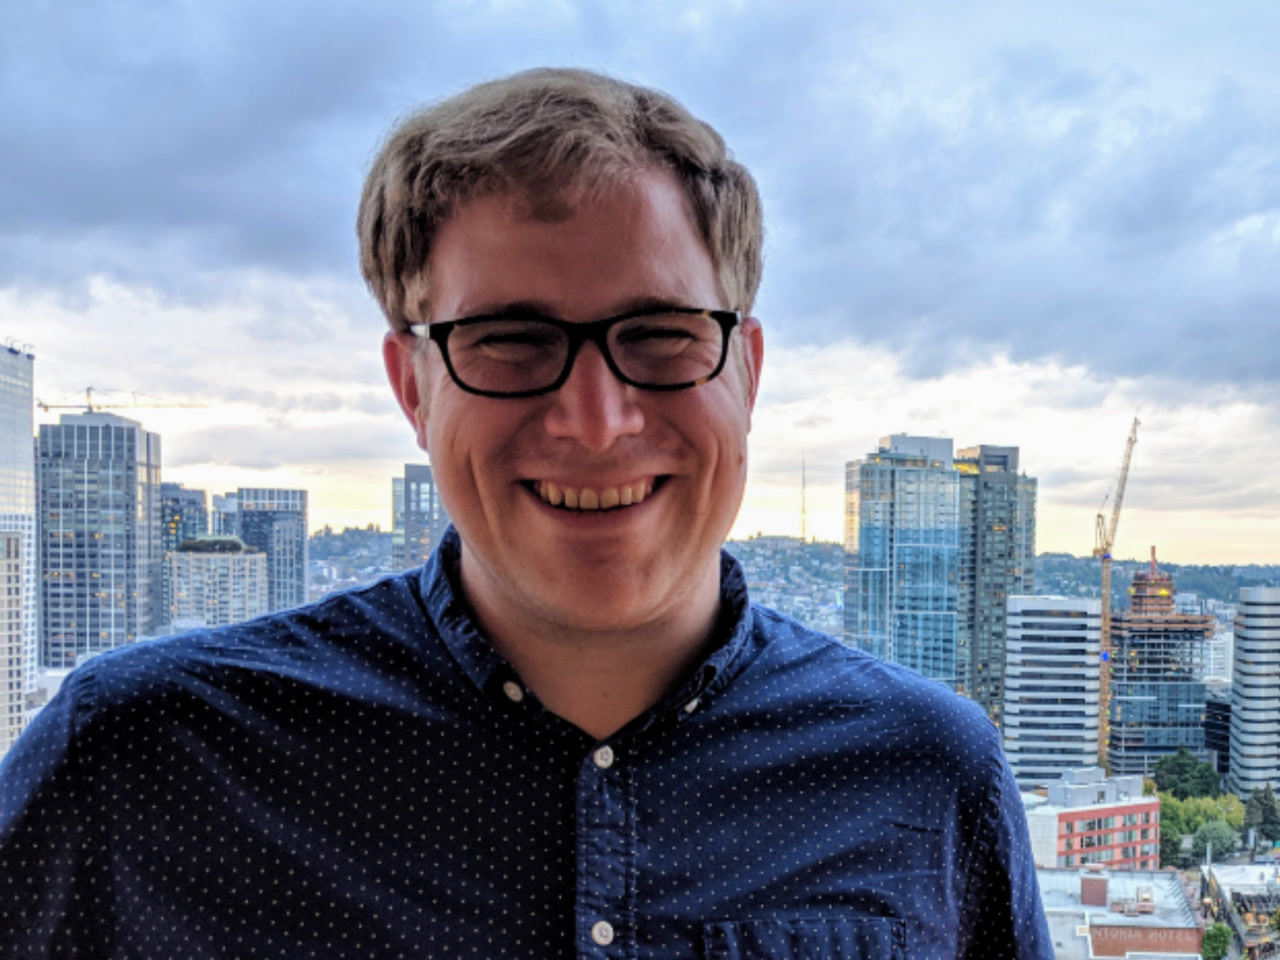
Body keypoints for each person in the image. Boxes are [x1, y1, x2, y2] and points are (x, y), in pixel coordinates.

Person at [0, 68, 1052, 958]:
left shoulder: (924, 775)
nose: (595, 423)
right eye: (509, 340)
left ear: (746, 368)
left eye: (660, 334)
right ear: (412, 387)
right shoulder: (143, 760)